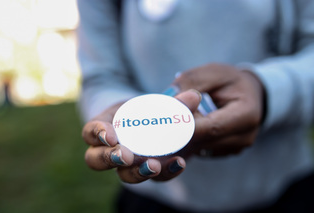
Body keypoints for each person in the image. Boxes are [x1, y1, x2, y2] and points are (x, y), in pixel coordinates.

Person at [77, 0, 314, 212]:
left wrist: (265, 90)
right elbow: (101, 76)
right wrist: (114, 123)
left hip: (286, 188)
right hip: (154, 197)